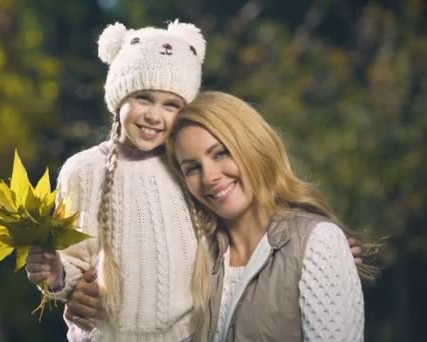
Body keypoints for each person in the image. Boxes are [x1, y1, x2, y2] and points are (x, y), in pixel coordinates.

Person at [26, 20, 207, 341]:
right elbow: (74, 261)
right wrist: (56, 274)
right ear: (118, 98)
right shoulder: (83, 170)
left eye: (171, 105)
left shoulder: (189, 166)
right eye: (143, 98)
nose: (154, 115)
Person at [165, 91, 379, 341]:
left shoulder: (318, 242)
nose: (209, 177)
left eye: (221, 153)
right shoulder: (195, 254)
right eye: (192, 168)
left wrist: (323, 251)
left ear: (252, 146)